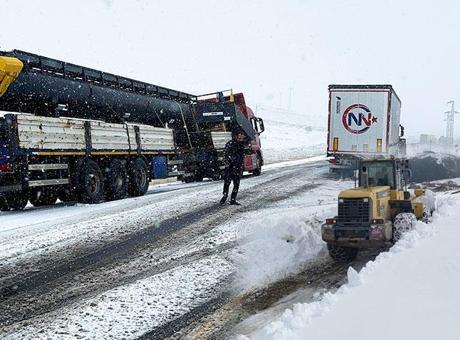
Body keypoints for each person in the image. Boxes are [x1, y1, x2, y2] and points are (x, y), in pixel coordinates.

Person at [220, 130, 247, 205]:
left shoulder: (242, 145)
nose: (241, 138)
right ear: (235, 136)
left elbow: (242, 156)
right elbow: (225, 155)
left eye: (242, 137)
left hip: (238, 167)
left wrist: (241, 165)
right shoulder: (230, 144)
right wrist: (228, 164)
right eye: (240, 137)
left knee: (236, 184)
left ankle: (233, 199)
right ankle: (225, 196)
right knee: (227, 182)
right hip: (230, 167)